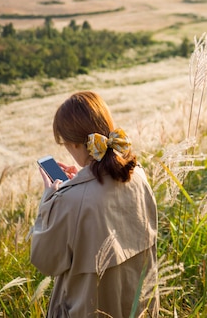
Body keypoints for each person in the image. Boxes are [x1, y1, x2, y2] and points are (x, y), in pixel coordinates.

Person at [31, 90, 159, 318]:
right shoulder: (138, 175)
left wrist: (49, 200)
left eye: (66, 144)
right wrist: (81, 180)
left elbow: (45, 262)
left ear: (77, 145)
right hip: (140, 309)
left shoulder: (68, 200)